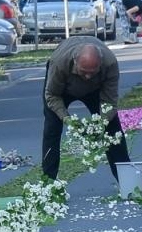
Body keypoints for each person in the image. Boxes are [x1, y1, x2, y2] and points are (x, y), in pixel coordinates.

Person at [40, 36, 130, 181]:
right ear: (75, 62)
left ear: (100, 64)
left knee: (113, 130)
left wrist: (102, 123)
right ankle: (48, 182)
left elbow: (110, 101)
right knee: (52, 129)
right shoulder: (58, 63)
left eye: (92, 71)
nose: (87, 76)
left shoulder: (110, 63)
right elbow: (51, 95)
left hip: (95, 90)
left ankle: (126, 180)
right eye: (83, 71)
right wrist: (67, 119)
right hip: (61, 91)